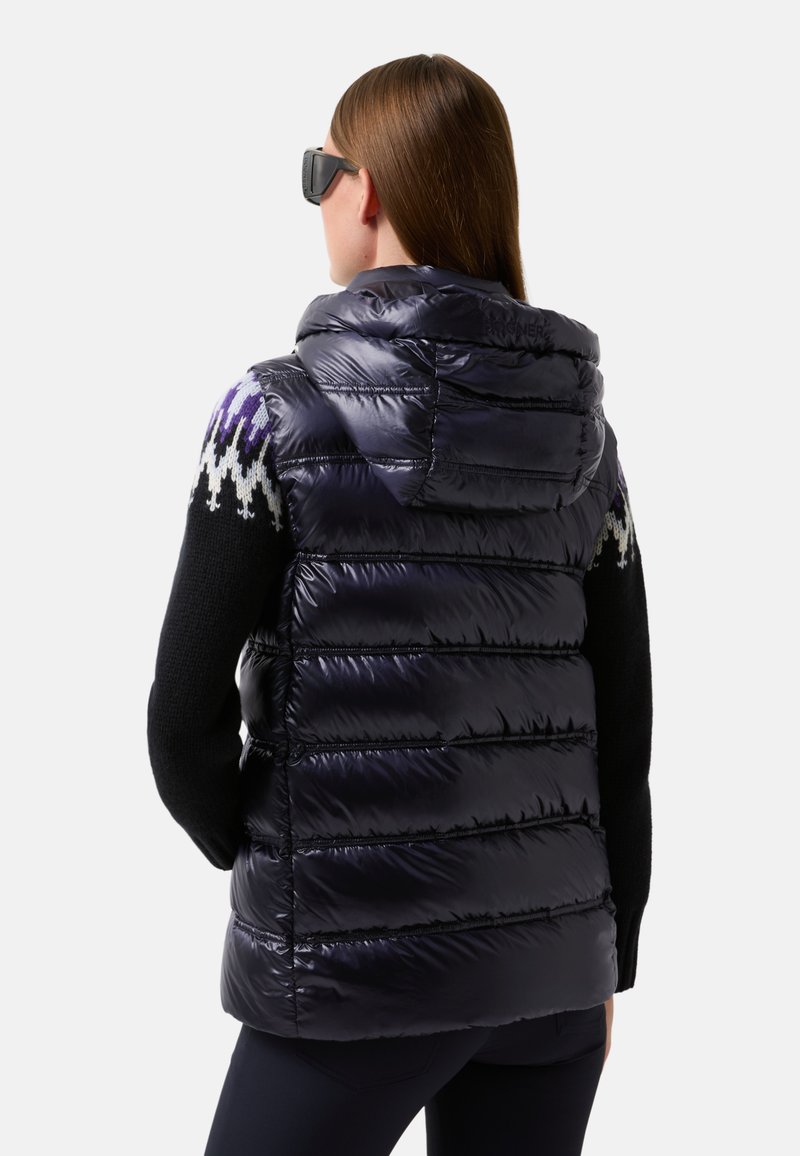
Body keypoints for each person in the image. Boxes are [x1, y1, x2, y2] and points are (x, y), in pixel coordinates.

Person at [146, 53, 653, 1156]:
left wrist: (275, 850)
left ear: (363, 188)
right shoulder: (583, 439)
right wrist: (604, 957)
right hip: (549, 983)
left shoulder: (272, 414)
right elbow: (623, 727)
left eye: (317, 171)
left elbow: (180, 721)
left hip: (349, 970)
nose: (317, 196)